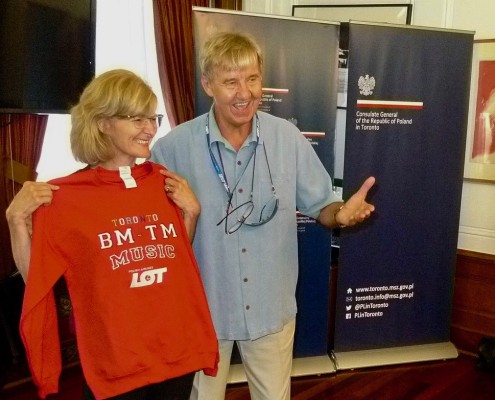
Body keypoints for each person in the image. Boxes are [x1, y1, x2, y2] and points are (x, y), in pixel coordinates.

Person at [150, 32, 375, 400]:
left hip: (271, 308)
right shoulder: (171, 150)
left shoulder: (287, 138)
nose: (245, 92)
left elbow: (323, 207)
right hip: (204, 312)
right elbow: (155, 238)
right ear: (207, 84)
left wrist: (341, 215)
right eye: (231, 81)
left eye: (252, 79)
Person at [7, 69, 218, 400]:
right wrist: (16, 220)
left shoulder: (164, 182)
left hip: (175, 352)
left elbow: (172, 262)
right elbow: (37, 280)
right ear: (103, 123)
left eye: (153, 118)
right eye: (137, 119)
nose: (151, 129)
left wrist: (190, 215)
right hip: (116, 363)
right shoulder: (65, 198)